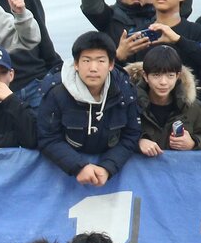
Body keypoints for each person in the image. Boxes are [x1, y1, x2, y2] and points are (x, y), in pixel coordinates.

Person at [37, 31, 141, 186]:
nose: (93, 68)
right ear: (76, 64)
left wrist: (108, 167)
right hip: (66, 176)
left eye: (101, 61)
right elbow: (48, 137)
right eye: (86, 60)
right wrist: (78, 166)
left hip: (109, 174)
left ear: (111, 64)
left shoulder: (125, 91)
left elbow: (131, 134)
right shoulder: (55, 92)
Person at [130, 44, 201, 157]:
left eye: (170, 75)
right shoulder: (129, 104)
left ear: (178, 76)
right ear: (145, 76)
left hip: (178, 172)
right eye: (156, 75)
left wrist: (193, 143)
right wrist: (138, 142)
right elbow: (115, 136)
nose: (163, 82)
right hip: (138, 172)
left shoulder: (193, 107)